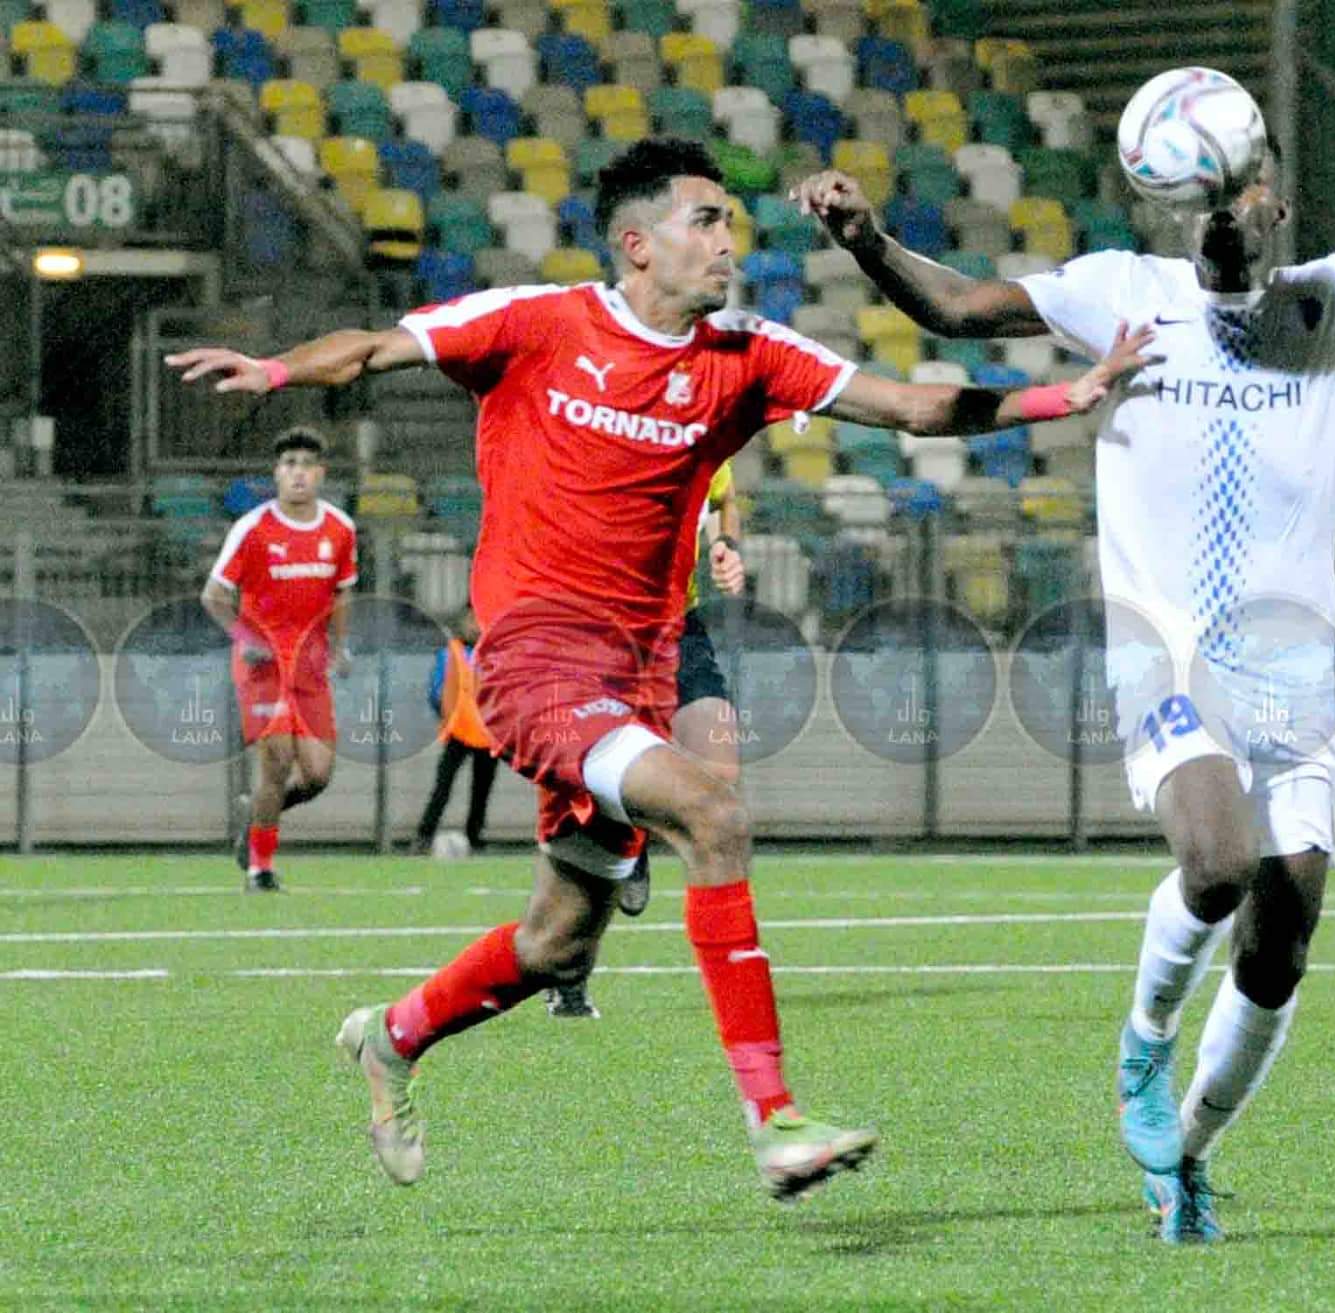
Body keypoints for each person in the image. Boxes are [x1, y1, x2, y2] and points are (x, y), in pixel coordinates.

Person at [167, 136, 1148, 1200]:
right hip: (534, 661)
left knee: (555, 940)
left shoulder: (747, 352)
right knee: (714, 815)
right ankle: (774, 1116)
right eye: (706, 222)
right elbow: (370, 349)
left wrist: (1066, 396)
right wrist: (272, 370)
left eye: (730, 220)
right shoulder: (537, 323)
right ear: (638, 245)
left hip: (640, 670)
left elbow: (914, 407)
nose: (730, 240)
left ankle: (394, 1036)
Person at [794, 51, 1335, 1240]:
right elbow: (960, 309)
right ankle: (1140, 1044)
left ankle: (1183, 1152)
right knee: (1218, 859)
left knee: (1282, 936)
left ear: (1272, 196)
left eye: (1233, 197)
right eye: (1197, 206)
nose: (1217, 221)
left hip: (1290, 664)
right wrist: (868, 239)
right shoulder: (1119, 287)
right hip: (1162, 647)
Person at [548, 457, 747, 1019]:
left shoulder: (706, 428)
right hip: (600, 632)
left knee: (719, 776)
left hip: (678, 626)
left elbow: (725, 498)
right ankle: (567, 973)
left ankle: (633, 831)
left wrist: (726, 546)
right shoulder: (600, 429)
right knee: (591, 824)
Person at [200, 426, 356, 892]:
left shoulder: (340, 528)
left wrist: (341, 646)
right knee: (278, 762)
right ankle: (260, 868)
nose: (298, 473)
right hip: (262, 664)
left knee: (317, 776)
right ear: (277, 474)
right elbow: (213, 596)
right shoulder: (252, 529)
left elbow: (342, 594)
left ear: (321, 473)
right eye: (289, 464)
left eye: (307, 464)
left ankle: (257, 819)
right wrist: (244, 636)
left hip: (310, 666)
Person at [412, 606, 498, 856]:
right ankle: (424, 836)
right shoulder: (451, 653)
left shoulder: (493, 655)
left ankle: (475, 837)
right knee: (443, 787)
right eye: (470, 620)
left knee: (481, 790)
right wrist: (447, 715)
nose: (475, 625)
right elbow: (437, 690)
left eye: (479, 620)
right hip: (459, 733)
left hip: (487, 736)